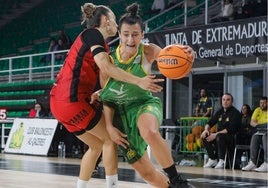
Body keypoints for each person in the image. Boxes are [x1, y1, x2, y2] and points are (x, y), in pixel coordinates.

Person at [50, 3, 163, 188]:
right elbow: (105, 66)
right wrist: (138, 80)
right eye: (115, 23)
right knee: (110, 139)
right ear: (106, 21)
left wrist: (101, 91)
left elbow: (107, 79)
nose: (118, 27)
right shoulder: (93, 34)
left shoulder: (95, 43)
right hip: (72, 100)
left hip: (59, 104)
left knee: (96, 146)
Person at [99, 3, 195, 188]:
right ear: (119, 34)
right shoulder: (108, 62)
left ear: (142, 34)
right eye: (126, 34)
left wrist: (189, 54)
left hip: (144, 104)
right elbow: (107, 98)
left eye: (135, 34)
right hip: (122, 115)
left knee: (149, 131)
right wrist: (110, 126)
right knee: (148, 174)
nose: (130, 39)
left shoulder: (148, 51)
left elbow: (172, 58)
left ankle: (176, 180)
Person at [201, 93, 241, 169]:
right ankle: (212, 159)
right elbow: (210, 122)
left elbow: (230, 129)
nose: (225, 102)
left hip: (232, 138)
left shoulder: (236, 113)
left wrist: (215, 134)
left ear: (232, 102)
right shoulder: (220, 111)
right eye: (223, 100)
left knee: (219, 136)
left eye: (228, 100)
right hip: (220, 136)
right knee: (204, 136)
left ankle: (222, 161)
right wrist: (206, 130)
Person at [242, 96, 268, 172]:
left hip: (266, 134)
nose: (262, 105)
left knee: (265, 136)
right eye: (261, 103)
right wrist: (262, 125)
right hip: (261, 132)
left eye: (264, 103)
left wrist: (259, 125)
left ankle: (267, 163)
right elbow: (252, 123)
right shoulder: (257, 110)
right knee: (255, 136)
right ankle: (252, 162)